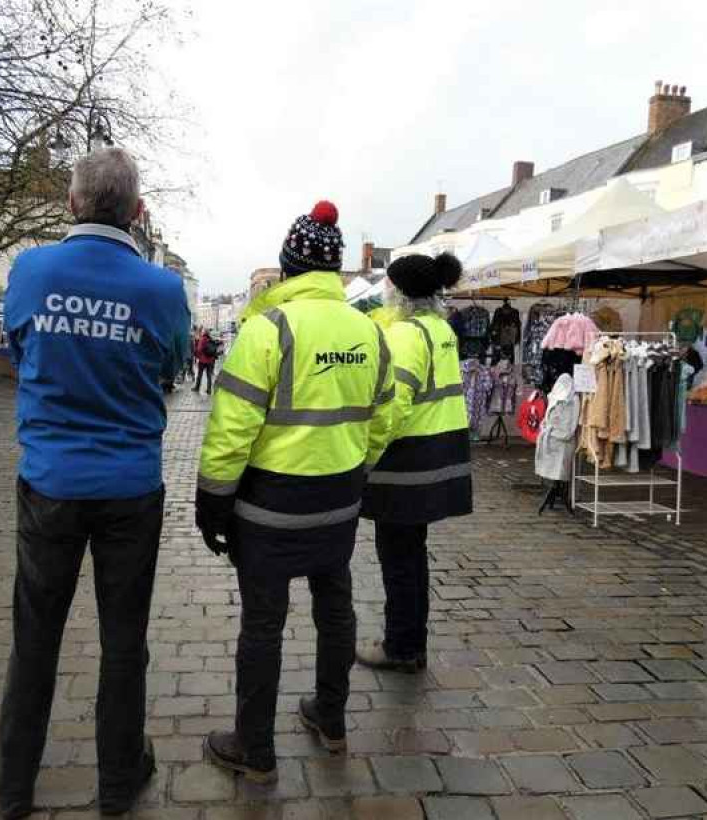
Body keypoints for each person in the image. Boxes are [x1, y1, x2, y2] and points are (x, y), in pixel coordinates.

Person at [0, 147, 190, 819]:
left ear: (71, 204)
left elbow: (17, 352)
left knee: (35, 637)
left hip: (49, 480)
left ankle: (14, 785)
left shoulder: (28, 271)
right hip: (129, 487)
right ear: (137, 212)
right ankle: (117, 782)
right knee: (123, 639)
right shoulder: (162, 289)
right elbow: (172, 363)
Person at [195, 201, 398, 782]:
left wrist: (213, 499)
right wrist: (358, 468)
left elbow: (232, 428)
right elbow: (384, 417)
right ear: (333, 271)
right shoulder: (369, 332)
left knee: (263, 622)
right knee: (335, 608)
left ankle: (254, 749)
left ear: (288, 266)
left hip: (268, 508)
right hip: (337, 503)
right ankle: (330, 719)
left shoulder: (268, 330)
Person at [357, 253, 473, 673]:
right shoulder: (440, 328)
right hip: (440, 450)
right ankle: (412, 642)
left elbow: (393, 406)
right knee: (412, 555)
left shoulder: (406, 335)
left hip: (409, 459)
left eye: (388, 285)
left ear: (400, 292)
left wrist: (365, 458)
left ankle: (401, 647)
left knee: (399, 558)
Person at [192, 328, 219, 394]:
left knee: (200, 374)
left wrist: (198, 356)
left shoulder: (203, 339)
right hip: (210, 361)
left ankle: (197, 388)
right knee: (209, 375)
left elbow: (199, 349)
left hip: (202, 360)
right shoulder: (211, 339)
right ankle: (209, 390)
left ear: (204, 332)